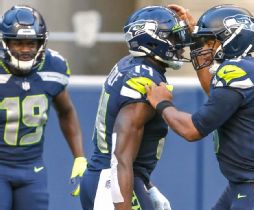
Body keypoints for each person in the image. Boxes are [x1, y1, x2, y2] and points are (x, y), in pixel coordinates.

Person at [146, 4, 254, 210]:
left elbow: (192, 130)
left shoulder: (236, 72)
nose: (204, 47)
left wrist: (162, 103)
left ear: (232, 39)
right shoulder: (248, 67)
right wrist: (196, 35)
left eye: (209, 41)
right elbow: (213, 91)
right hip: (242, 185)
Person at [79, 5, 191, 210]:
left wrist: (148, 186)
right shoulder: (143, 80)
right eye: (174, 38)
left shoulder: (132, 64)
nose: (181, 45)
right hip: (112, 182)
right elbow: (120, 157)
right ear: (152, 39)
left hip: (111, 177)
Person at [0, 5, 87, 210]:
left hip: (32, 169)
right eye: (18, 43)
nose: (25, 49)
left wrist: (80, 157)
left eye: (31, 43)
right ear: (5, 43)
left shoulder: (53, 66)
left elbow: (66, 111)